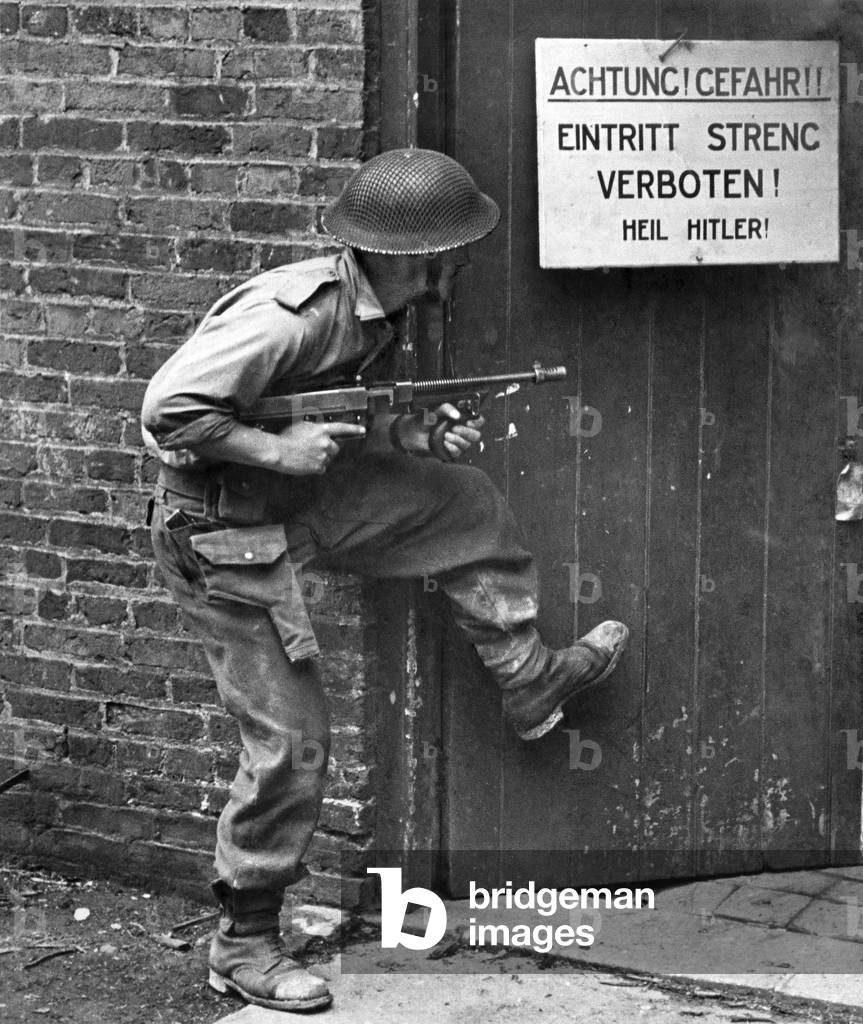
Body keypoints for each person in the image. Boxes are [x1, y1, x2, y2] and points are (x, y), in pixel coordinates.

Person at [140, 148, 628, 1013]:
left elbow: (322, 409)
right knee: (292, 741)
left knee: (461, 501)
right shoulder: (294, 316)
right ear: (412, 258)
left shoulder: (376, 310)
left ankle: (526, 678)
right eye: (455, 248)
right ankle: (243, 945)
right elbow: (169, 409)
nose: (464, 262)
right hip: (223, 532)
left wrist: (406, 438)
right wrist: (276, 451)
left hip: (294, 503)